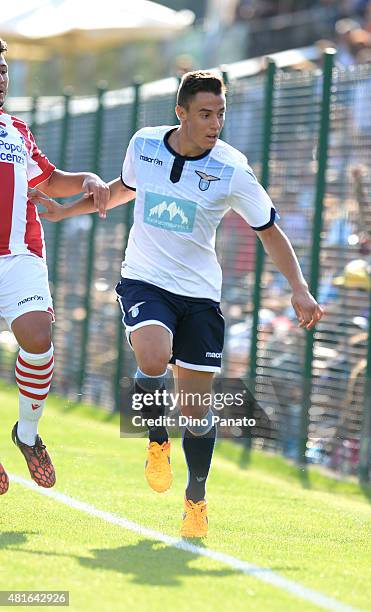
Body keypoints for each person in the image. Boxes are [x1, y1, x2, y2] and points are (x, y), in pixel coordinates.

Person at [33, 71, 324, 536]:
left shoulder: (232, 169)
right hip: (145, 281)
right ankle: (155, 439)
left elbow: (269, 229)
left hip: (201, 296)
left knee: (195, 408)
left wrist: (300, 288)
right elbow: (125, 190)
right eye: (206, 114)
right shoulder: (144, 144)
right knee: (151, 355)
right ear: (181, 112)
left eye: (221, 114)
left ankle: (196, 498)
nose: (215, 123)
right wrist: (68, 209)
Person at [0, 39, 109, 496]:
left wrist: (87, 179)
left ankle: (27, 434)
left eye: (4, 69)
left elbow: (51, 180)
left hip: (19, 254)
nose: (1, 78)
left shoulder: (16, 130)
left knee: (38, 339)